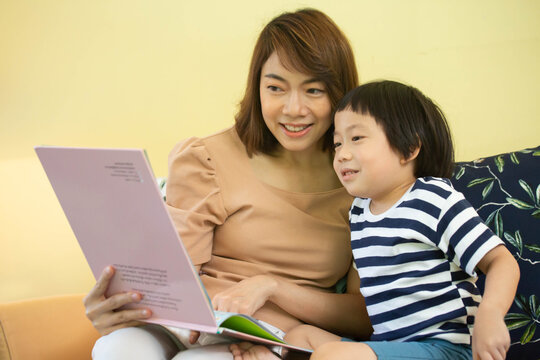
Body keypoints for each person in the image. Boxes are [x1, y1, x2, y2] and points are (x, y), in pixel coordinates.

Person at [83, 8, 373, 360]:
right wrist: (119, 305)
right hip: (187, 324)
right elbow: (176, 273)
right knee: (116, 349)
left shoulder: (360, 181)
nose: (294, 108)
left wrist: (272, 288)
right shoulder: (205, 158)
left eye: (313, 90)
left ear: (340, 94)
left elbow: (363, 317)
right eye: (275, 88)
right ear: (257, 88)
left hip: (270, 341)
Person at [267, 80, 520, 360]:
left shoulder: (431, 198)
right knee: (297, 338)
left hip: (448, 349)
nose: (342, 154)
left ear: (409, 148)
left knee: (332, 355)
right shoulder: (359, 213)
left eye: (357, 139)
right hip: (390, 347)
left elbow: (501, 262)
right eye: (338, 143)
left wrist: (491, 314)